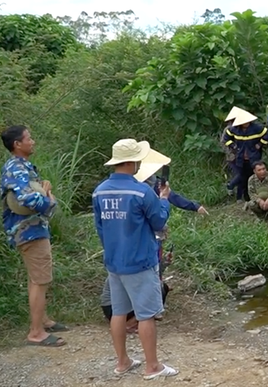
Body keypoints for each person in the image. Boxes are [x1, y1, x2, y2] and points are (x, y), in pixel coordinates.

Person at [93, 138, 178, 379]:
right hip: (140, 261)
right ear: (132, 162)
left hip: (114, 261)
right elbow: (159, 221)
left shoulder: (99, 191)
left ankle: (122, 362)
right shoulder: (140, 191)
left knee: (119, 312)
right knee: (146, 314)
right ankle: (153, 366)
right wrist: (164, 199)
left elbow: (100, 227)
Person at [0, 125, 66, 347]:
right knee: (40, 279)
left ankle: (43, 320)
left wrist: (43, 189)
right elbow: (28, 200)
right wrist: (49, 198)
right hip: (29, 230)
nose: (33, 141)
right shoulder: (16, 168)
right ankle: (36, 332)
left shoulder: (22, 166)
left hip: (33, 229)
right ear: (17, 144)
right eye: (29, 138)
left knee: (36, 278)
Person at [223, 108, 268, 204]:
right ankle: (243, 197)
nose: (246, 123)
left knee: (253, 177)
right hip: (240, 158)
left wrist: (260, 144)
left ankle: (255, 196)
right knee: (242, 177)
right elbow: (226, 138)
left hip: (253, 157)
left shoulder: (256, 128)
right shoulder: (234, 129)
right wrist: (234, 146)